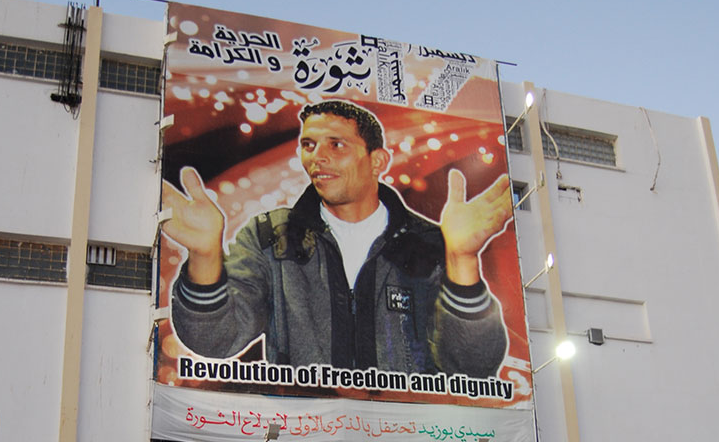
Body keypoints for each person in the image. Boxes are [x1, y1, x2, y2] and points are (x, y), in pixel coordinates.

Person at [163, 100, 511, 377]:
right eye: (309, 145)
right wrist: (205, 256)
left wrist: (462, 259)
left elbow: (473, 367)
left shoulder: (429, 243)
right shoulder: (270, 237)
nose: (317, 157)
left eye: (336, 144)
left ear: (378, 161)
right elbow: (215, 341)